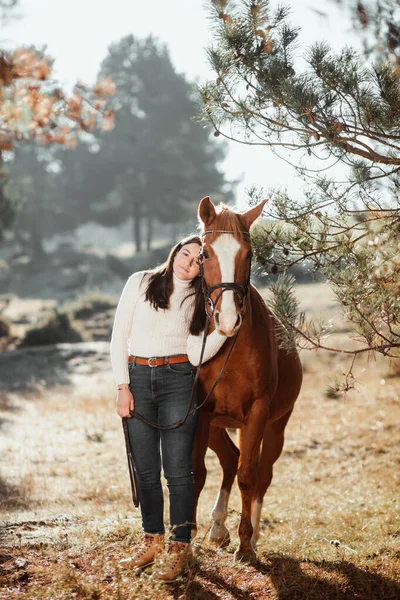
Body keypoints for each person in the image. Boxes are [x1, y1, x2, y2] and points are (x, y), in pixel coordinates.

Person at [110, 234, 227, 583]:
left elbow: (195, 353)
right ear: (175, 251)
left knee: (178, 471)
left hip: (179, 378)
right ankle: (152, 541)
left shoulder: (197, 296)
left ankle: (179, 548)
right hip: (137, 377)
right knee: (145, 470)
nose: (188, 263)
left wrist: (223, 330)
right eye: (185, 253)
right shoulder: (140, 282)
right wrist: (122, 387)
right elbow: (119, 336)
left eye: (196, 261)